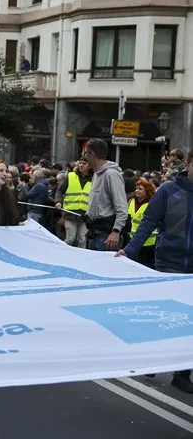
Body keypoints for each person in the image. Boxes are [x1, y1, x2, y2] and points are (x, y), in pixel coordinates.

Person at [117, 149, 193, 394]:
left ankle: (182, 372)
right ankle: (153, 359)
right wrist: (129, 250)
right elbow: (148, 222)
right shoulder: (168, 191)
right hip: (168, 262)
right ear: (189, 165)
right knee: (164, 317)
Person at [82, 138, 127, 252]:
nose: (83, 156)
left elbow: (121, 207)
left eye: (84, 153)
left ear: (91, 154)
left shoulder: (111, 174)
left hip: (107, 236)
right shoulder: (96, 174)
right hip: (94, 232)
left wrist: (116, 232)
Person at [54, 159, 93, 248]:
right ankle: (62, 256)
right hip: (70, 213)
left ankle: (80, 260)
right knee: (70, 239)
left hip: (85, 215)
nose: (81, 165)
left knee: (82, 240)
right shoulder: (71, 176)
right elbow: (60, 191)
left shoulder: (94, 179)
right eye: (80, 163)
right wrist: (58, 202)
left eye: (84, 163)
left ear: (89, 166)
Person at [125, 179, 157, 269]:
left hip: (147, 243)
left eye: (140, 189)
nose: (137, 191)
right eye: (136, 188)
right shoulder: (131, 201)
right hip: (131, 240)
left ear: (147, 191)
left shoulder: (151, 204)